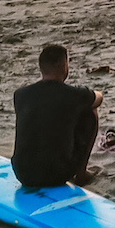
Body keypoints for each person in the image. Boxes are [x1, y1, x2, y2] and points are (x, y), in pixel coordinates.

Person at [12, 43, 102, 189]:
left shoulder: (20, 94)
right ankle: (81, 174)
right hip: (57, 174)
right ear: (64, 67)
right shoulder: (73, 94)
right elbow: (99, 98)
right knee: (91, 111)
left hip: (22, 173)